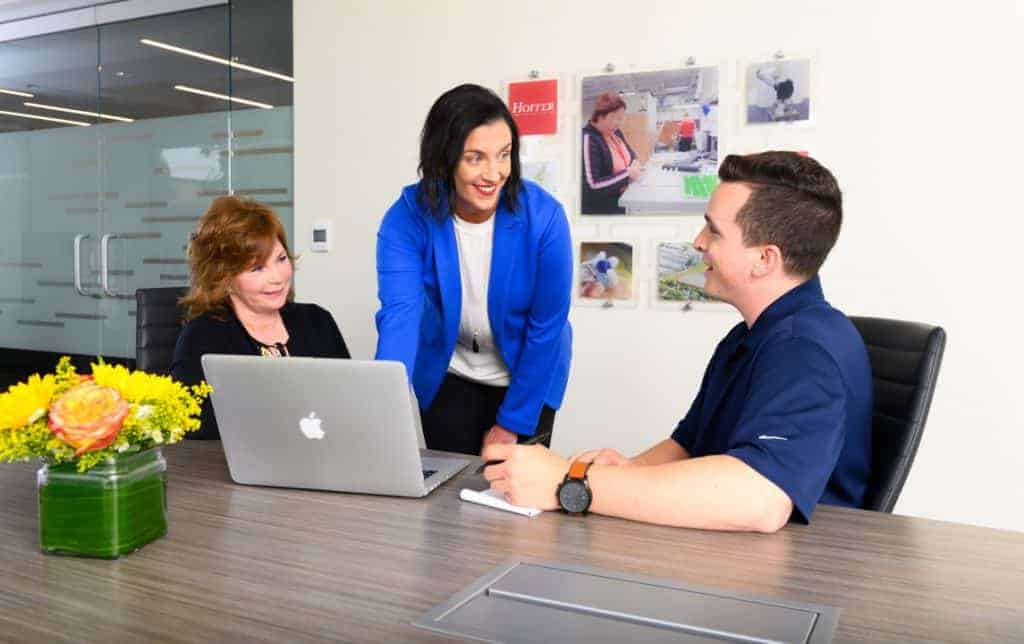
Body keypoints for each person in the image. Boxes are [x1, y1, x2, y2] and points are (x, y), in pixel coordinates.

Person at [482, 151, 872, 533]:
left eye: (713, 231)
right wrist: (626, 470)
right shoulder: (749, 337)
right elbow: (688, 444)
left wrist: (571, 483)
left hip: (796, 564)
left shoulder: (805, 351)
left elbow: (760, 499)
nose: (698, 242)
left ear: (765, 259)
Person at [375, 83, 573, 456]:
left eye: (504, 155)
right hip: (450, 372)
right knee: (453, 485)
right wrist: (383, 412)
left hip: (528, 372)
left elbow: (546, 327)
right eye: (475, 158)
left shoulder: (545, 218)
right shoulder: (406, 218)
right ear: (443, 159)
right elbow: (400, 318)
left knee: (514, 484)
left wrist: (512, 424)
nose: (494, 174)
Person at [170, 196, 350, 440]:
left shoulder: (318, 321)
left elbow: (348, 406)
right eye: (257, 268)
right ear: (224, 278)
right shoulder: (202, 337)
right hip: (236, 462)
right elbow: (194, 430)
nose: (277, 277)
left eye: (281, 259)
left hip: (325, 455)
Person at [581, 92, 644, 214]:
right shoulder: (589, 139)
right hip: (603, 210)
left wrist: (635, 162)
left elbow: (631, 154)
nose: (620, 123)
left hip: (623, 200)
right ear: (601, 116)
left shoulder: (615, 132)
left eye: (621, 118)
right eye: (616, 118)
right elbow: (592, 185)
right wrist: (627, 174)